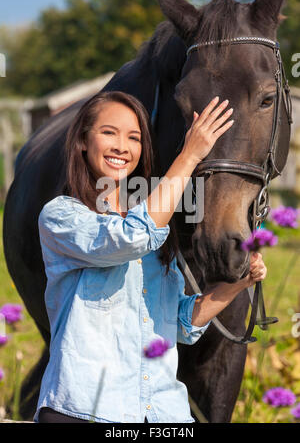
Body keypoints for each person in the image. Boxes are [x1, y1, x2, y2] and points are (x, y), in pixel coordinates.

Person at [34, 91, 267, 423]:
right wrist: (189, 156)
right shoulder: (63, 217)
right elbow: (132, 238)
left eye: (134, 137)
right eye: (109, 132)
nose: (121, 146)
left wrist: (238, 283)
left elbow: (181, 323)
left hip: (161, 413)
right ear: (83, 141)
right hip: (86, 409)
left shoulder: (155, 225)